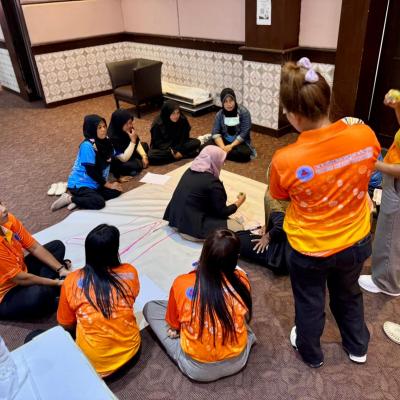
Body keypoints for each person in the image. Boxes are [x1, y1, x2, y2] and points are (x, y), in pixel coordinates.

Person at [269, 57, 380, 368]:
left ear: (294, 115)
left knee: (310, 302)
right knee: (349, 294)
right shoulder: (365, 135)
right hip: (356, 240)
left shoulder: (284, 159)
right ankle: (358, 346)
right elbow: (370, 165)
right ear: (327, 101)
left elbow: (280, 196)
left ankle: (311, 354)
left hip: (309, 248)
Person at [143, 229, 256, 382]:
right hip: (238, 359)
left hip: (197, 369)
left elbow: (174, 325)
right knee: (236, 317)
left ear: (204, 254)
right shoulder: (242, 280)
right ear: (236, 258)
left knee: (151, 307)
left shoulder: (182, 283)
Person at [57, 224, 141, 378]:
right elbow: (132, 299)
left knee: (38, 337)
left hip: (95, 367)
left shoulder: (71, 281)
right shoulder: (130, 272)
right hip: (132, 354)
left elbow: (65, 324)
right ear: (114, 250)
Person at [359, 90, 400, 296]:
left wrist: (375, 164)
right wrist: (397, 108)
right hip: (393, 178)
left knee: (390, 231)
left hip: (397, 182)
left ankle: (386, 283)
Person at [0, 201, 69, 320]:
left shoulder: (8, 219)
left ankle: (52, 287)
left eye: (0, 204)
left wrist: (61, 269)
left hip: (21, 271)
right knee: (39, 294)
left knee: (56, 247)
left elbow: (34, 247)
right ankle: (52, 291)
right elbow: (20, 278)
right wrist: (56, 283)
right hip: (6, 294)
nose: (4, 209)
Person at [164, 145, 246, 240]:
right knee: (237, 227)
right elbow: (222, 212)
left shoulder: (188, 171)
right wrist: (239, 202)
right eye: (222, 161)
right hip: (191, 230)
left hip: (174, 220)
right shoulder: (213, 183)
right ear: (215, 161)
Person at [51, 115, 122, 211]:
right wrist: (108, 185)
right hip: (80, 184)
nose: (103, 130)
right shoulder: (87, 145)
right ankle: (69, 199)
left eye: (104, 126)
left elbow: (112, 160)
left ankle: (82, 200)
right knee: (99, 202)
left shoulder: (106, 141)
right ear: (91, 129)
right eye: (99, 127)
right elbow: (91, 171)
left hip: (96, 183)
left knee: (117, 190)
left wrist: (119, 178)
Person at [237, 165, 288, 275]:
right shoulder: (297, 189)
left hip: (281, 255)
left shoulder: (273, 195)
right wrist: (269, 224)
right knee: (240, 235)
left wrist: (267, 236)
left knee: (237, 240)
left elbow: (281, 224)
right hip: (299, 247)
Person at [204, 88, 255, 163]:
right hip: (224, 141)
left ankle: (219, 154)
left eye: (231, 101)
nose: (229, 104)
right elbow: (215, 133)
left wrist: (231, 146)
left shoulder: (244, 112)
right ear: (222, 103)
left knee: (245, 154)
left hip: (239, 142)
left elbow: (244, 134)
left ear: (235, 100)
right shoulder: (220, 114)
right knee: (204, 147)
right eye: (226, 101)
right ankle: (224, 153)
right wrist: (223, 147)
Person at [148, 101, 201, 165]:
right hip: (165, 148)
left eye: (178, 113)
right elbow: (158, 143)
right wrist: (172, 151)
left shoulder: (182, 119)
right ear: (167, 113)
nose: (176, 116)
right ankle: (183, 155)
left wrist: (179, 149)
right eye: (173, 113)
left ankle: (175, 157)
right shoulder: (157, 124)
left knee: (197, 142)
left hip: (178, 144)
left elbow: (184, 137)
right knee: (151, 155)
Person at [108, 109, 149, 181]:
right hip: (119, 160)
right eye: (128, 123)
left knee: (144, 145)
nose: (131, 126)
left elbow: (137, 143)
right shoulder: (112, 138)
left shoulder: (128, 128)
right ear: (119, 124)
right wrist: (133, 141)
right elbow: (123, 158)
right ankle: (132, 167)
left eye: (131, 122)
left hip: (129, 151)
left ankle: (136, 164)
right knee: (134, 165)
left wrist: (144, 156)